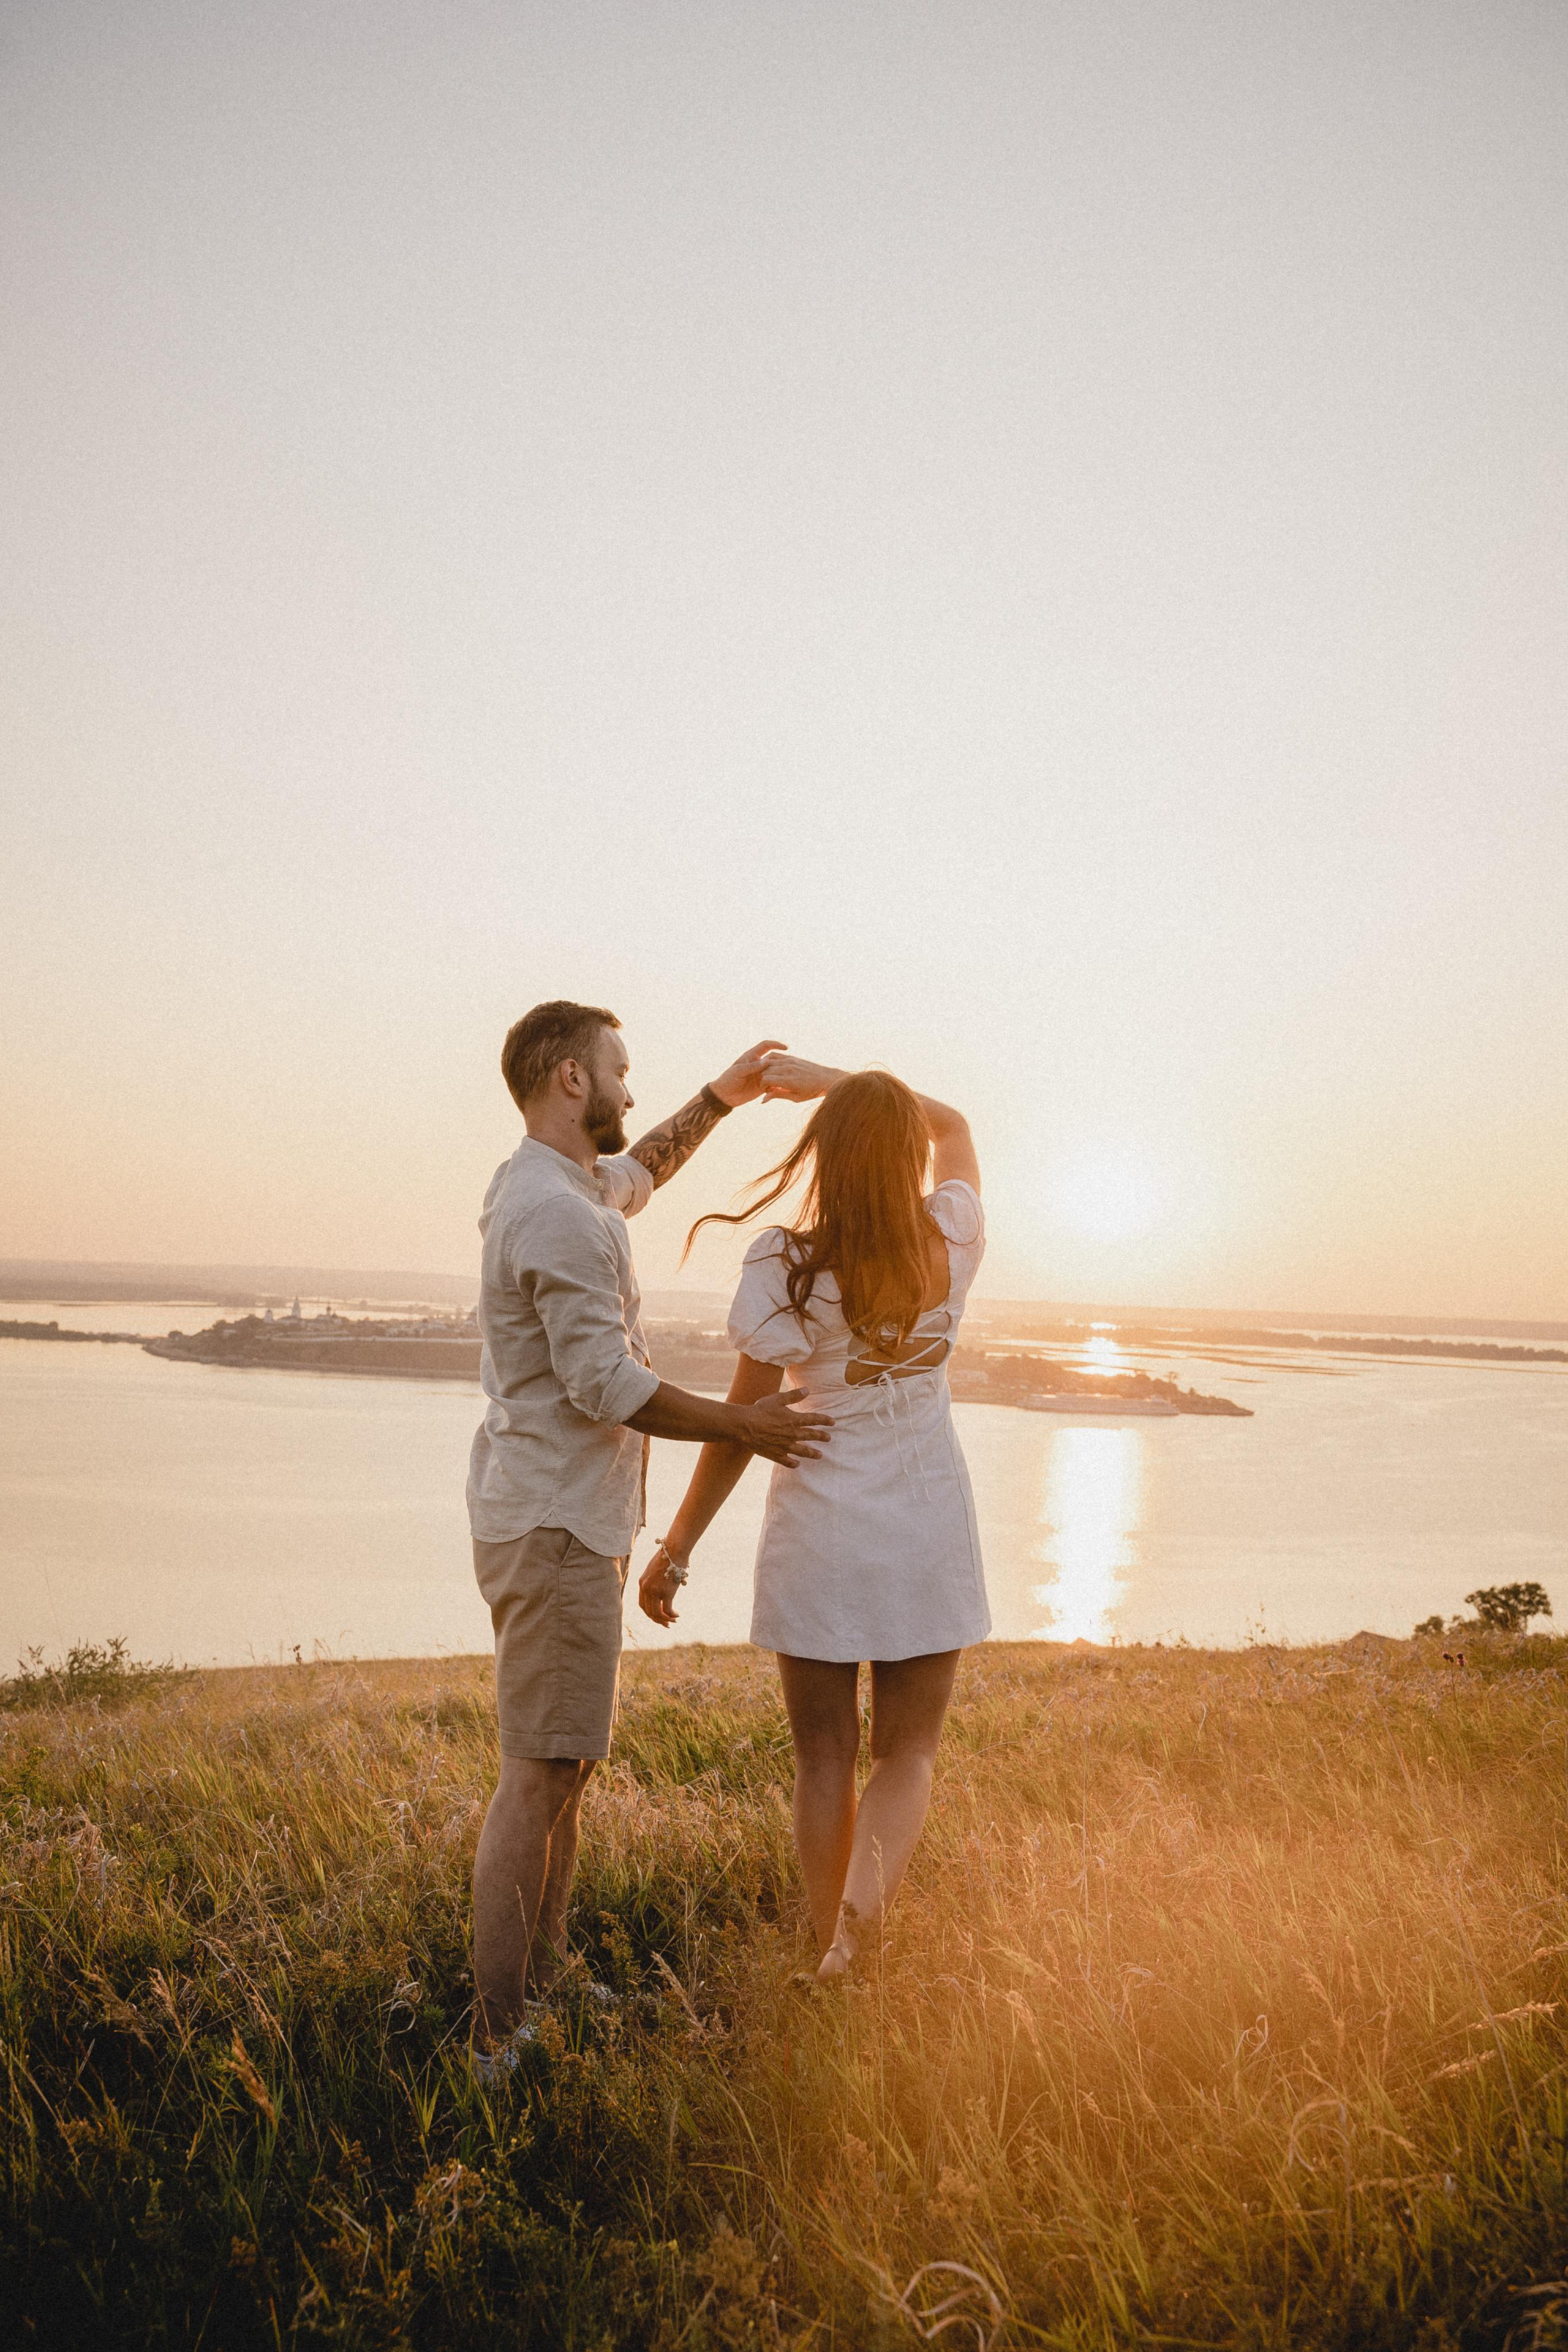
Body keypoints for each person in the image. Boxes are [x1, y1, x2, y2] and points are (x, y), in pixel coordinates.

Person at [468, 1002, 831, 2070]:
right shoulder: (558, 1216)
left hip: (564, 1519)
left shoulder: (562, 1185)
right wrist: (745, 1424)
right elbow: (606, 1384)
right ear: (571, 1080)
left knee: (565, 1769)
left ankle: (544, 1993)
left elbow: (645, 1173)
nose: (633, 1090)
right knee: (536, 1778)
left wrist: (725, 1095)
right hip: (555, 1528)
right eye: (620, 1071)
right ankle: (497, 2043)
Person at [638, 1059, 989, 1979]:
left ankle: (824, 1938)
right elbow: (951, 1121)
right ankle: (853, 1942)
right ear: (906, 1158)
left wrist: (676, 1549)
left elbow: (739, 1427)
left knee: (824, 1758)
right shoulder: (951, 1236)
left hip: (820, 1535)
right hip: (926, 1527)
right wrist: (840, 1080)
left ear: (824, 1157)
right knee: (907, 1754)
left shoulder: (785, 1265)